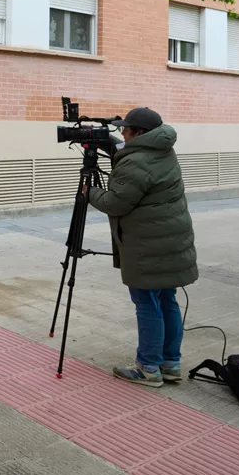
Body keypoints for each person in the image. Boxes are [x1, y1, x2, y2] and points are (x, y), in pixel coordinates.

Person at [88, 106, 197, 388]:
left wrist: (90, 192)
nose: (122, 132)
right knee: (167, 299)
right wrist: (117, 150)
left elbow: (116, 202)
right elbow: (138, 177)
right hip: (170, 240)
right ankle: (170, 363)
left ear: (139, 133)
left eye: (126, 129)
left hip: (148, 245)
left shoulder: (136, 161)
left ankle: (148, 368)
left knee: (147, 303)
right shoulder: (162, 150)